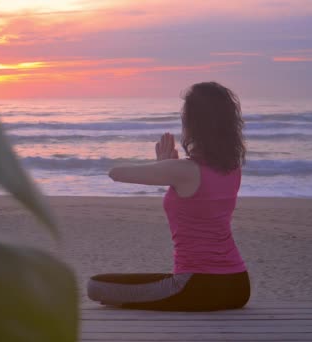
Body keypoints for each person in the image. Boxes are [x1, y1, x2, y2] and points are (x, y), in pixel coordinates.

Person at [87, 82, 250, 311]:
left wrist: (164, 166)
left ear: (193, 123)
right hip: (238, 285)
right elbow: (197, 203)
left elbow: (116, 173)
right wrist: (166, 168)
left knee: (96, 286)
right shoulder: (233, 169)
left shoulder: (184, 170)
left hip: (195, 286)